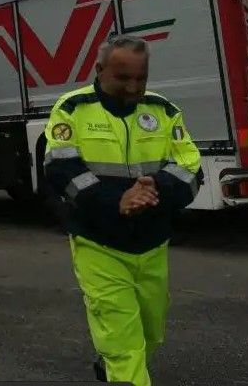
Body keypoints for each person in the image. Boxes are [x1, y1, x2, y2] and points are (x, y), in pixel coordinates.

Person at [43, 35, 201, 386]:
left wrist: (155, 188)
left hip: (152, 242)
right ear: (100, 70)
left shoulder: (163, 110)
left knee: (150, 334)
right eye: (123, 77)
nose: (133, 87)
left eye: (140, 78)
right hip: (98, 243)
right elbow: (60, 168)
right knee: (124, 346)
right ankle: (117, 364)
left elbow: (190, 166)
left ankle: (109, 365)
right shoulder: (73, 109)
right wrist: (115, 201)